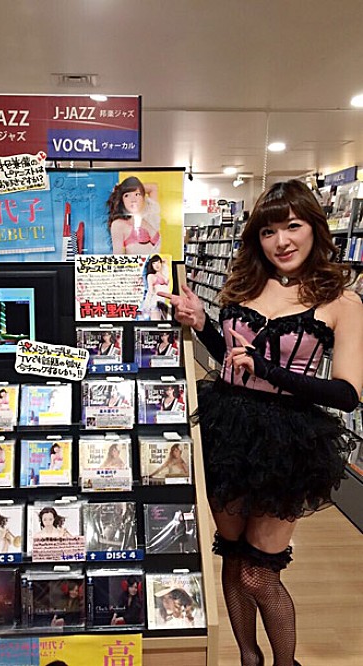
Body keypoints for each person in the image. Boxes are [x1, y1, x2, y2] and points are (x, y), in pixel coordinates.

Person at [160, 179, 363, 666]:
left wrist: (269, 370)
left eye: (293, 226)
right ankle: (249, 659)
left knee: (260, 573)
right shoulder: (245, 282)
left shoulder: (341, 300)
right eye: (269, 231)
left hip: (287, 439)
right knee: (233, 557)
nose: (281, 241)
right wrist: (203, 325)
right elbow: (232, 358)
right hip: (227, 427)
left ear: (315, 228)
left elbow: (348, 394)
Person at [107, 176, 161, 254]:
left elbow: (153, 187)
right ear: (122, 200)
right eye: (127, 195)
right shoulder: (119, 224)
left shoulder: (151, 214)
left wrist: (132, 187)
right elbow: (118, 257)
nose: (133, 199)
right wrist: (122, 189)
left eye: (137, 194)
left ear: (143, 197)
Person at [141, 254, 170, 320]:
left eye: (158, 262)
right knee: (156, 321)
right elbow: (150, 291)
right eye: (154, 263)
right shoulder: (151, 276)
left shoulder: (163, 273)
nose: (157, 265)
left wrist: (163, 262)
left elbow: (166, 262)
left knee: (164, 323)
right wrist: (147, 305)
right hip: (155, 302)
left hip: (164, 302)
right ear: (151, 265)